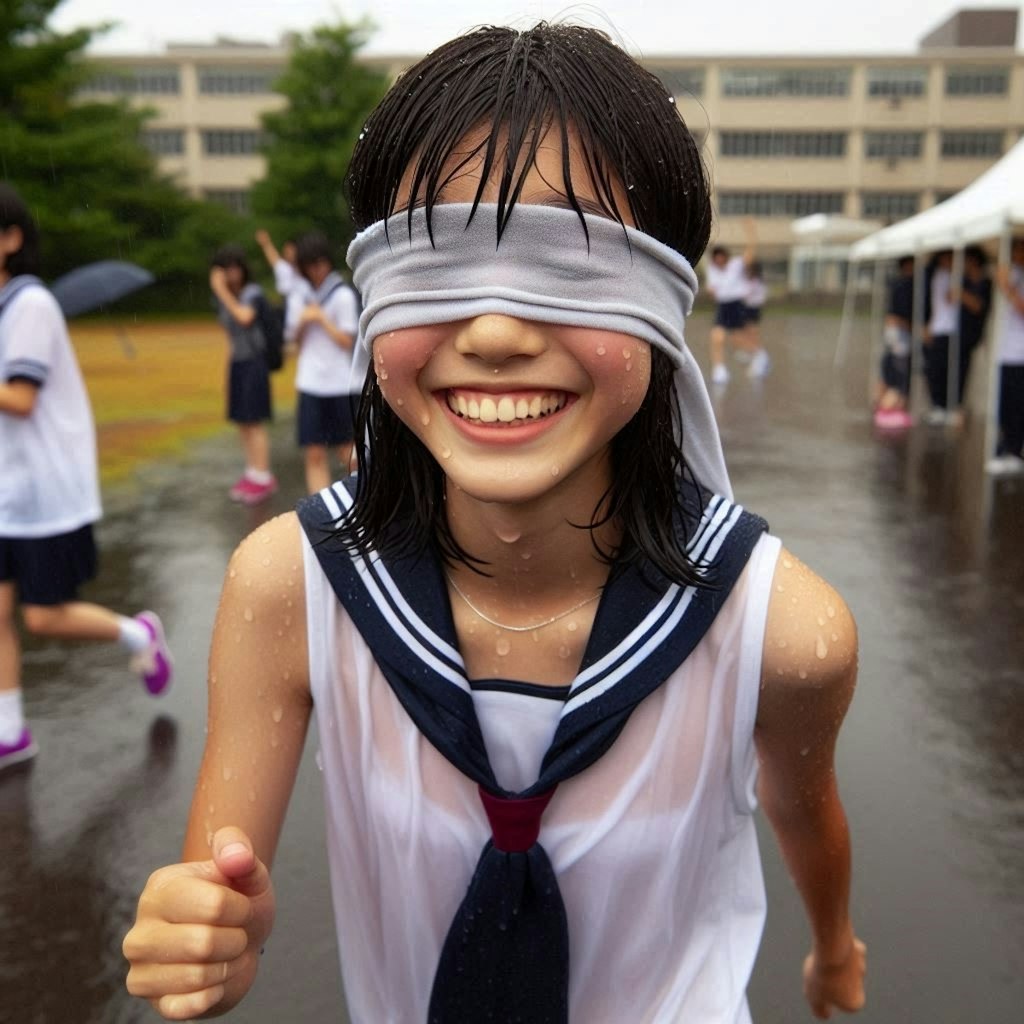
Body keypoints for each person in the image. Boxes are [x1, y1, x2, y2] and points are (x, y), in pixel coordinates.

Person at [124, 25, 866, 1024]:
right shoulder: (291, 585)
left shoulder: (782, 630)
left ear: (665, 302)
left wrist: (831, 946)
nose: (497, 333)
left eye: (569, 263)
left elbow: (803, 809)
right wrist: (202, 932)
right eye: (436, 260)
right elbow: (212, 885)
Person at [0, 183, 173, 772]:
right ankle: (10, 732)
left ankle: (138, 635)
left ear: (11, 238)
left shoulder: (30, 305)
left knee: (44, 616)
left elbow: (20, 398)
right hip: (5, 491)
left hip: (44, 493)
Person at [291, 231, 361, 493]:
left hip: (340, 384)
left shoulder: (341, 294)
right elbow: (295, 343)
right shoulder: (302, 296)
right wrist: (302, 322)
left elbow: (346, 341)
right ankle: (319, 514)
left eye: (319, 264)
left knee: (349, 454)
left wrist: (320, 318)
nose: (315, 271)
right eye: (309, 266)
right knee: (314, 453)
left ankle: (358, 509)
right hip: (310, 382)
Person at [210, 245, 278, 505]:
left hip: (255, 362)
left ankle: (263, 476)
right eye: (225, 269)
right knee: (242, 420)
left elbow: (244, 318)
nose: (231, 273)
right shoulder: (227, 297)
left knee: (254, 419)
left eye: (235, 267)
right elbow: (231, 336)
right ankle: (252, 471)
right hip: (238, 363)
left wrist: (220, 289)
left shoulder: (251, 293)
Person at [704, 219, 767, 384]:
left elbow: (750, 251)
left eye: (721, 257)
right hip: (723, 306)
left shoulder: (736, 265)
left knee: (738, 339)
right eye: (716, 258)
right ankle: (719, 369)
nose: (719, 261)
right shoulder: (712, 270)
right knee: (717, 336)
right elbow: (712, 288)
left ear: (725, 257)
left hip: (737, 305)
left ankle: (758, 355)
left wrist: (751, 232)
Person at [987, 236, 1024, 475]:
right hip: (1007, 352)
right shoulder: (1013, 274)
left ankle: (1013, 450)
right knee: (1005, 405)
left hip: (1021, 355)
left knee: (1017, 406)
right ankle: (1006, 448)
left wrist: (1007, 289)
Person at [946, 245, 993, 423]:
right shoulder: (963, 280)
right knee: (958, 369)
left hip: (975, 333)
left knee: (970, 371)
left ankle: (964, 406)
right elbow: (950, 298)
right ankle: (958, 405)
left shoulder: (984, 282)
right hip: (961, 331)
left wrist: (962, 295)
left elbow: (979, 306)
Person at [874, 255, 915, 429]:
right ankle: (889, 406)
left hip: (895, 334)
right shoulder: (905, 286)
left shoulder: (897, 284)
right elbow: (895, 317)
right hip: (900, 334)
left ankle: (886, 404)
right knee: (899, 373)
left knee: (891, 367)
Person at [255, 228, 310, 355]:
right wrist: (266, 243)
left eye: (291, 250)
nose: (288, 253)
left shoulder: (309, 274)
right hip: (288, 330)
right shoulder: (285, 271)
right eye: (286, 251)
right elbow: (274, 259)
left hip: (307, 331)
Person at [922, 250, 957, 424]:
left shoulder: (956, 275)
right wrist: (928, 324)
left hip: (949, 329)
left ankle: (947, 406)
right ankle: (938, 405)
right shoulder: (936, 275)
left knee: (946, 370)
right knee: (933, 370)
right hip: (937, 327)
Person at [741, 260, 771, 377]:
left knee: (752, 332)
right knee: (747, 332)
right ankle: (752, 352)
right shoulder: (754, 281)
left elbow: (746, 294)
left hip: (752, 309)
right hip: (749, 309)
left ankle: (758, 354)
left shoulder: (755, 282)